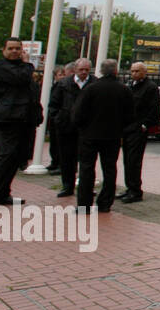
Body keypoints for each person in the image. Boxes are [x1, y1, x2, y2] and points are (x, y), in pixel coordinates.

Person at [72, 59, 133, 213]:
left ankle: (84, 204)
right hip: (112, 136)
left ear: (100, 71)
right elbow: (130, 115)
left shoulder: (91, 89)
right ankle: (105, 202)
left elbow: (78, 114)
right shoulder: (124, 90)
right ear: (116, 71)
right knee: (110, 169)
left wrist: (82, 127)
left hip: (89, 135)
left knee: (86, 169)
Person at [0, 38, 36, 206]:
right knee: (6, 155)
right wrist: (27, 64)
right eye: (11, 48)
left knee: (17, 157)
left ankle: (3, 193)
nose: (14, 51)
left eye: (18, 48)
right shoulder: (0, 67)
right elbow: (21, 79)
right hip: (7, 119)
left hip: (23, 118)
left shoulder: (21, 68)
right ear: (3, 50)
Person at [48, 58, 93, 197]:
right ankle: (67, 186)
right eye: (81, 69)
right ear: (75, 70)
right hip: (66, 127)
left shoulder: (94, 84)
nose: (84, 72)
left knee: (87, 160)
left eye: (87, 70)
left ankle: (86, 187)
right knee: (67, 158)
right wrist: (58, 119)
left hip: (87, 128)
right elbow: (53, 104)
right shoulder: (63, 84)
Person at [118, 63, 160, 204]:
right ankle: (129, 187)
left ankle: (135, 191)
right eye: (132, 71)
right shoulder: (129, 85)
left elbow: (154, 108)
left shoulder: (150, 87)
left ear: (144, 72)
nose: (134, 73)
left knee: (134, 160)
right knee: (127, 160)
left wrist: (144, 125)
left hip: (138, 129)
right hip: (127, 128)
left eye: (137, 71)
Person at [45, 65, 67, 175]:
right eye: (60, 75)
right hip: (54, 117)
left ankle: (59, 164)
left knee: (60, 143)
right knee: (53, 141)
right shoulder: (54, 86)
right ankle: (54, 162)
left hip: (60, 118)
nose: (62, 77)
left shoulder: (65, 87)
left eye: (64, 74)